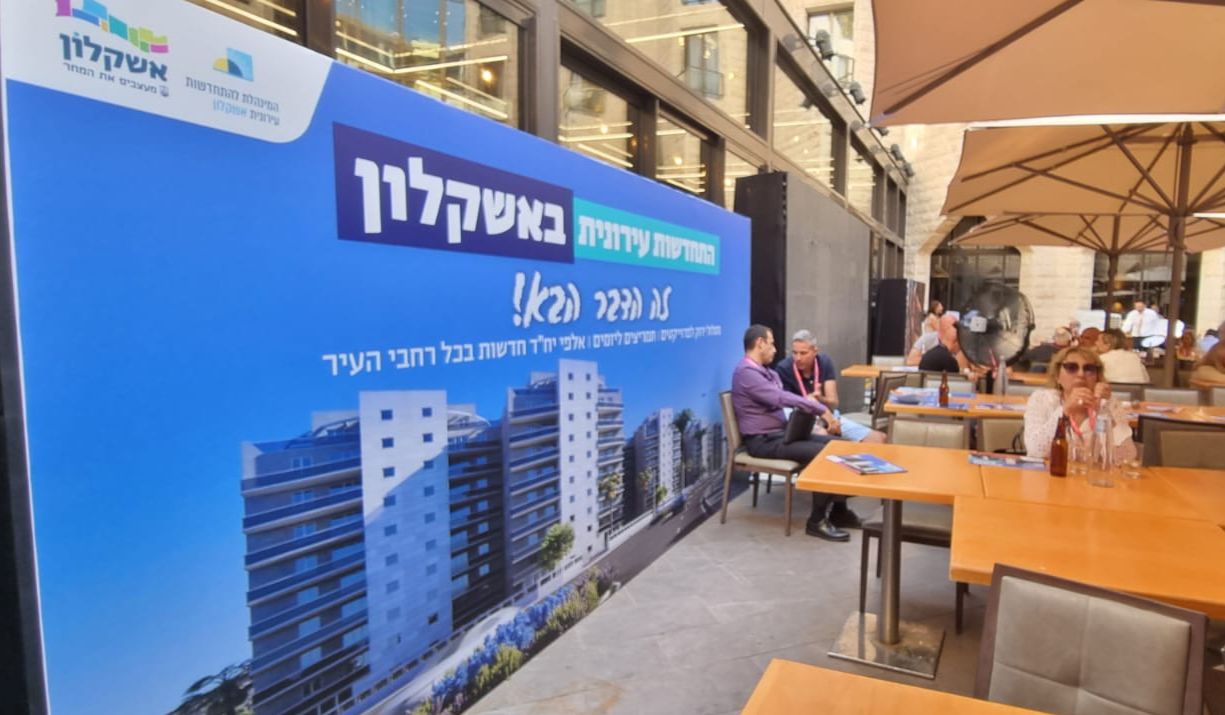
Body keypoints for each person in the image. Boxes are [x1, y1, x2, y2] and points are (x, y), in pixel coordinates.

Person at [731, 325, 857, 541]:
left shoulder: (765, 372)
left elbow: (778, 389)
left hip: (780, 434)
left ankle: (839, 511)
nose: (775, 349)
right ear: (760, 343)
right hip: (763, 442)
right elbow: (780, 397)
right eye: (771, 343)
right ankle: (816, 521)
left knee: (839, 445)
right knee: (824, 455)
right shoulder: (746, 373)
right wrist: (820, 409)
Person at [1023, 347, 1136, 462]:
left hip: (1091, 472)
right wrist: (1065, 411)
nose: (1081, 374)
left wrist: (1103, 411)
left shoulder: (1108, 403)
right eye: (1071, 367)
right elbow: (1035, 451)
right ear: (1057, 376)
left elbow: (1127, 457)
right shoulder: (1042, 399)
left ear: (1097, 377)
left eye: (1089, 369)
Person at [776, 330, 887, 445]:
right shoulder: (783, 368)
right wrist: (809, 402)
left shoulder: (824, 362)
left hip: (829, 415)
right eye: (794, 353)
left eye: (803, 353)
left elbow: (834, 402)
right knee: (824, 436)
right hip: (803, 419)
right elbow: (785, 407)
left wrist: (820, 399)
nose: (798, 358)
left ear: (815, 351)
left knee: (878, 438)